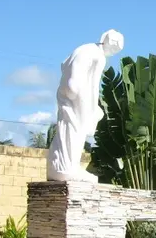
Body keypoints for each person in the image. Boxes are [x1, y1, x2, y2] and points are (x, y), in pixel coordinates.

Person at [47, 30, 124, 182]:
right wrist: (90, 106)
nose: (114, 51)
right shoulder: (97, 55)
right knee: (75, 129)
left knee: (69, 128)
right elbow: (93, 84)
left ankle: (64, 167)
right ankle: (66, 168)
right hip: (76, 92)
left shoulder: (85, 49)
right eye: (115, 47)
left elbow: (65, 64)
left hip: (70, 91)